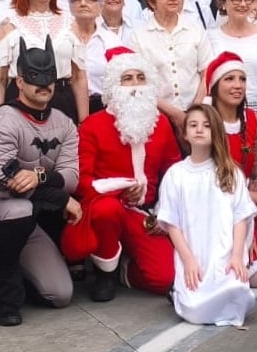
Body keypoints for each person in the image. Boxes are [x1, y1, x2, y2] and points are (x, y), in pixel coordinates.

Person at [0, 40, 82, 323]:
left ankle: (12, 270)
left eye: (49, 78)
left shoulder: (64, 122)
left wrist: (39, 175)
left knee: (60, 294)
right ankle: (5, 296)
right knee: (20, 208)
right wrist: (59, 198)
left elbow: (70, 178)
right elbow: (5, 184)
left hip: (30, 216)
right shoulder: (2, 121)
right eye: (35, 78)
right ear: (19, 81)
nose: (44, 85)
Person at [60, 47, 181, 296]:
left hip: (143, 212)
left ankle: (125, 269)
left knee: (165, 279)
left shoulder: (162, 124)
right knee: (108, 211)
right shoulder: (94, 124)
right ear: (114, 86)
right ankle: (106, 273)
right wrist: (120, 187)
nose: (135, 85)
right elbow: (82, 179)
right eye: (127, 78)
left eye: (141, 77)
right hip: (105, 207)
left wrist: (164, 212)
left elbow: (173, 173)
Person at [155, 104, 257, 327]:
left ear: (216, 132)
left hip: (224, 252)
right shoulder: (176, 175)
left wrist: (236, 255)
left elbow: (240, 216)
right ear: (185, 133)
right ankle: (180, 292)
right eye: (193, 125)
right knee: (195, 310)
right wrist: (188, 259)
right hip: (194, 253)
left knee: (235, 291)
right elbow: (172, 223)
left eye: (206, 126)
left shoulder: (230, 172)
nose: (199, 130)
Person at [205, 52, 257, 284]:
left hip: (244, 205)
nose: (238, 85)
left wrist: (250, 211)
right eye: (229, 79)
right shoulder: (204, 121)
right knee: (229, 271)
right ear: (215, 86)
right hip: (213, 207)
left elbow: (255, 172)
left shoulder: (251, 119)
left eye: (242, 79)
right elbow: (209, 182)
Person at [0, 0, 88, 121]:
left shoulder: (71, 22)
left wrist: (84, 122)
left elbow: (79, 78)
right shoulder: (8, 24)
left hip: (62, 103)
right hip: (20, 103)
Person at [131, 0, 212, 131]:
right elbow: (140, 82)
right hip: (157, 118)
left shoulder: (195, 29)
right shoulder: (138, 36)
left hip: (197, 116)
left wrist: (195, 109)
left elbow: (207, 71)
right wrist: (174, 113)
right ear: (152, 2)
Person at [64, 0, 122, 115]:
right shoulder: (61, 40)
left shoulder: (112, 41)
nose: (83, 3)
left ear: (101, 6)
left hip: (102, 109)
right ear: (70, 6)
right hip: (66, 107)